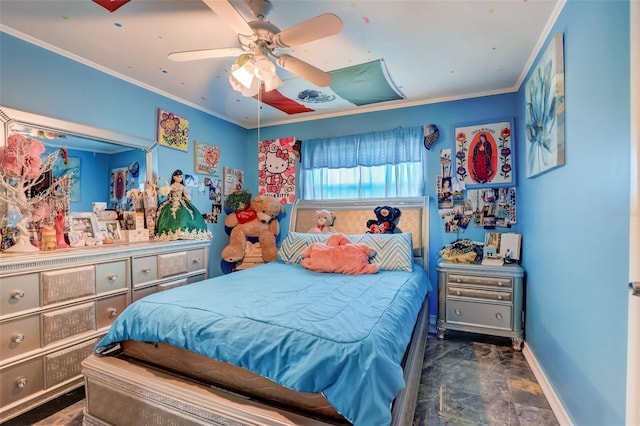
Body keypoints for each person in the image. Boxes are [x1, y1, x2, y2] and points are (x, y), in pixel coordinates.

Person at [155, 169, 212, 240]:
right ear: (174, 177)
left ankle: (184, 231)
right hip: (172, 202)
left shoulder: (182, 186)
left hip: (181, 201)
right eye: (178, 176)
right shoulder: (171, 186)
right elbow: (167, 194)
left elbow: (185, 195)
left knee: (184, 215)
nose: (179, 178)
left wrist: (189, 198)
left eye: (181, 177)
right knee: (171, 217)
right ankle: (173, 232)